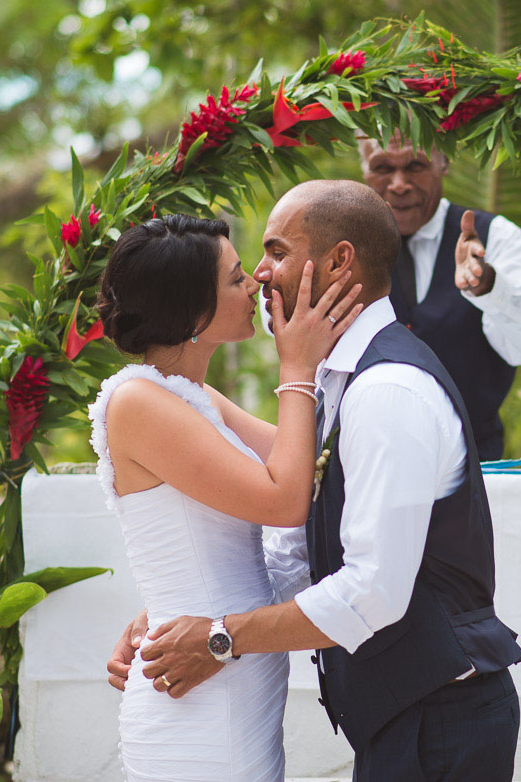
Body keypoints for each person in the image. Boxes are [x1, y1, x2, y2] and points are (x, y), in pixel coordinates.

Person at [113, 180, 521, 781]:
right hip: (405, 721)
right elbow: (298, 549)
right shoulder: (338, 380)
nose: (259, 274)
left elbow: (370, 593)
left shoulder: (386, 391)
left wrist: (218, 636)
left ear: (338, 262)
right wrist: (176, 615)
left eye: (276, 252)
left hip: (440, 721)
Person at [91, 213, 362, 782]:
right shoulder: (139, 403)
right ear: (193, 312)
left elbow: (308, 465)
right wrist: (297, 366)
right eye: (237, 279)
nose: (257, 284)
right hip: (198, 704)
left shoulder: (191, 395)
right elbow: (284, 500)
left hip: (231, 673)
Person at [357, 133, 521, 460]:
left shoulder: (494, 235)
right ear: (364, 170)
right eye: (382, 168)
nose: (398, 184)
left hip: (472, 464)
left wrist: (489, 285)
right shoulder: (343, 240)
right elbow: (281, 321)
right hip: (363, 458)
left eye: (415, 166)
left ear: (443, 163)